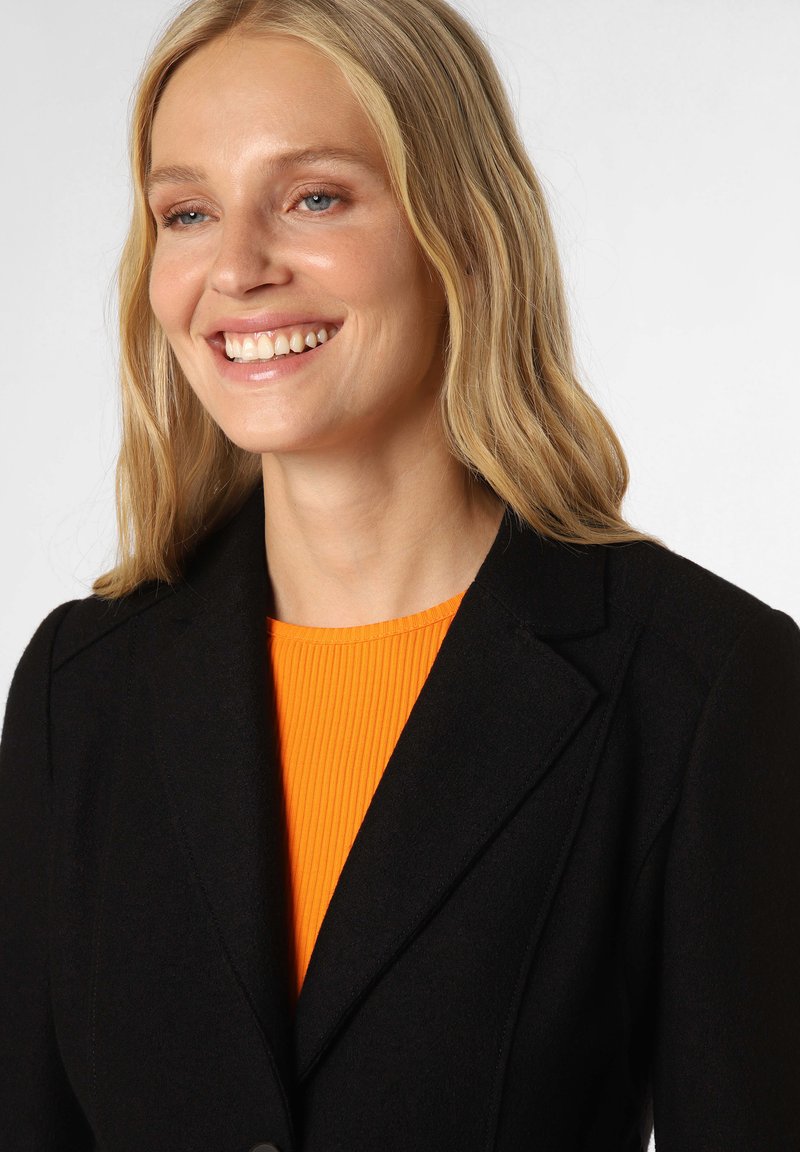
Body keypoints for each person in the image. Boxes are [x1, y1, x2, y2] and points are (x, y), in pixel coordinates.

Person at [1, 0, 798, 1148]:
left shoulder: (694, 683)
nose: (236, 269)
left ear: (460, 229)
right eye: (188, 213)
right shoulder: (79, 689)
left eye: (313, 197)